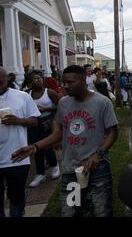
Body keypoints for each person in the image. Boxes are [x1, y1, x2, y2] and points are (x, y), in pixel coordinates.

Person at [12, 65, 118, 217]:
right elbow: (59, 132)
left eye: (70, 82)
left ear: (83, 81)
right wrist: (34, 147)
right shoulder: (64, 103)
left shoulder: (102, 102)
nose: (65, 86)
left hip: (97, 170)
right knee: (70, 211)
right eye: (64, 82)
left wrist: (98, 154)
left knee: (101, 211)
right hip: (71, 170)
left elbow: (113, 133)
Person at [0, 67, 40, 217]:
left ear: (7, 79)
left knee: (16, 196)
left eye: (1, 80)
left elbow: (34, 120)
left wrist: (18, 120)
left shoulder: (22, 96)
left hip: (16, 157)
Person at [27, 71, 62, 188]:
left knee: (47, 147)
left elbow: (60, 107)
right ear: (30, 82)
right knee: (35, 148)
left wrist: (45, 109)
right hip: (33, 124)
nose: (38, 80)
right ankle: (40, 174)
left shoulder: (50, 92)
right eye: (35, 79)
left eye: (40, 78)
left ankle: (54, 166)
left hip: (47, 122)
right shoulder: (27, 94)